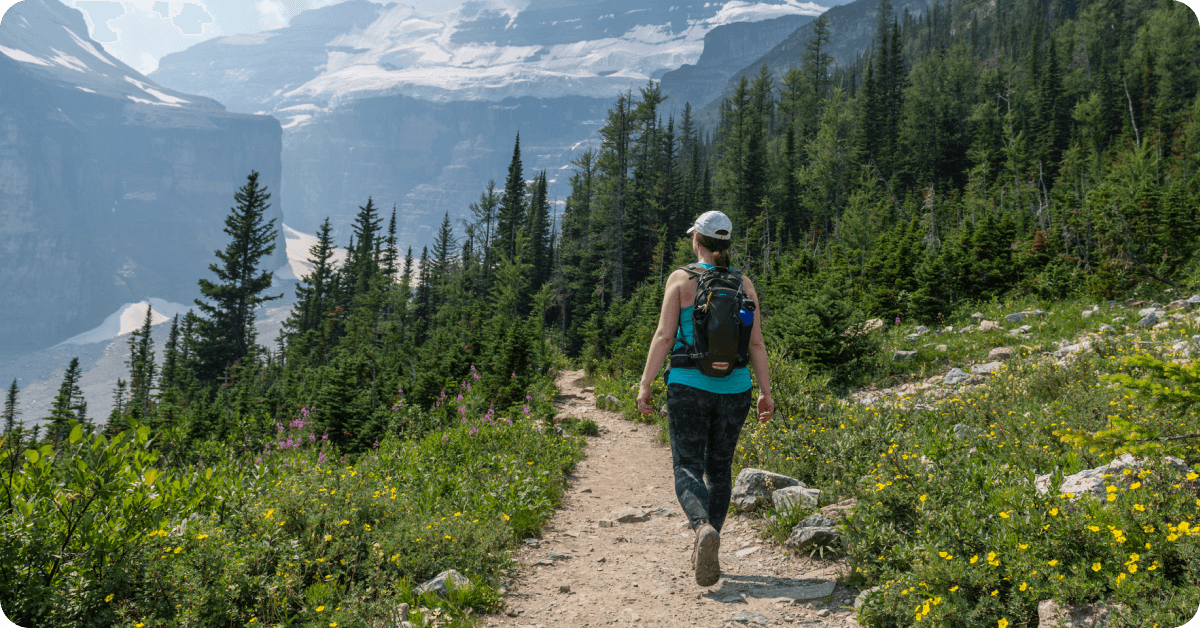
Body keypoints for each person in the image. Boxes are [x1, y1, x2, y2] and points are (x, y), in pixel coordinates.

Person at [635, 210, 774, 587]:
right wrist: (765, 391)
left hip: (688, 385)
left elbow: (664, 336)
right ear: (726, 243)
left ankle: (701, 530)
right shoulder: (744, 284)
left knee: (687, 466)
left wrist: (646, 383)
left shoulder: (681, 279)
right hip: (736, 387)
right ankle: (709, 540)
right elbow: (757, 342)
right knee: (720, 469)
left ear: (697, 238)